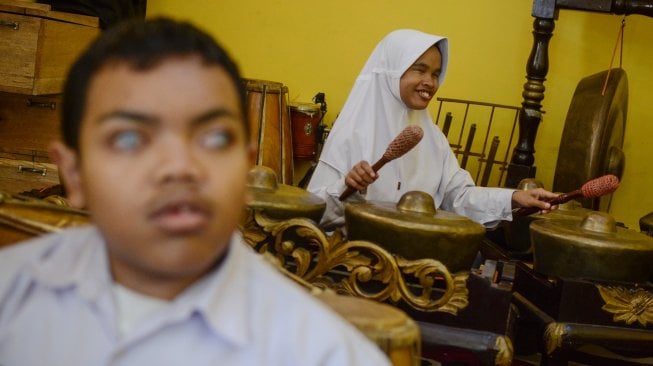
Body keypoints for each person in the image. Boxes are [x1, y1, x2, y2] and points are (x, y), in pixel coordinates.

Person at [0, 18, 390, 366]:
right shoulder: (11, 298)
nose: (178, 167)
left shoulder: (322, 353)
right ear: (75, 172)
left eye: (212, 138)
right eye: (131, 138)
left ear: (245, 168)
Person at [308, 29, 558, 231]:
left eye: (436, 74)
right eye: (420, 69)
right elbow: (313, 214)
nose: (430, 82)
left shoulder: (433, 138)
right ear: (392, 72)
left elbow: (457, 196)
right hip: (356, 262)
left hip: (417, 258)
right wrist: (348, 186)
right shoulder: (352, 134)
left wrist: (513, 198)